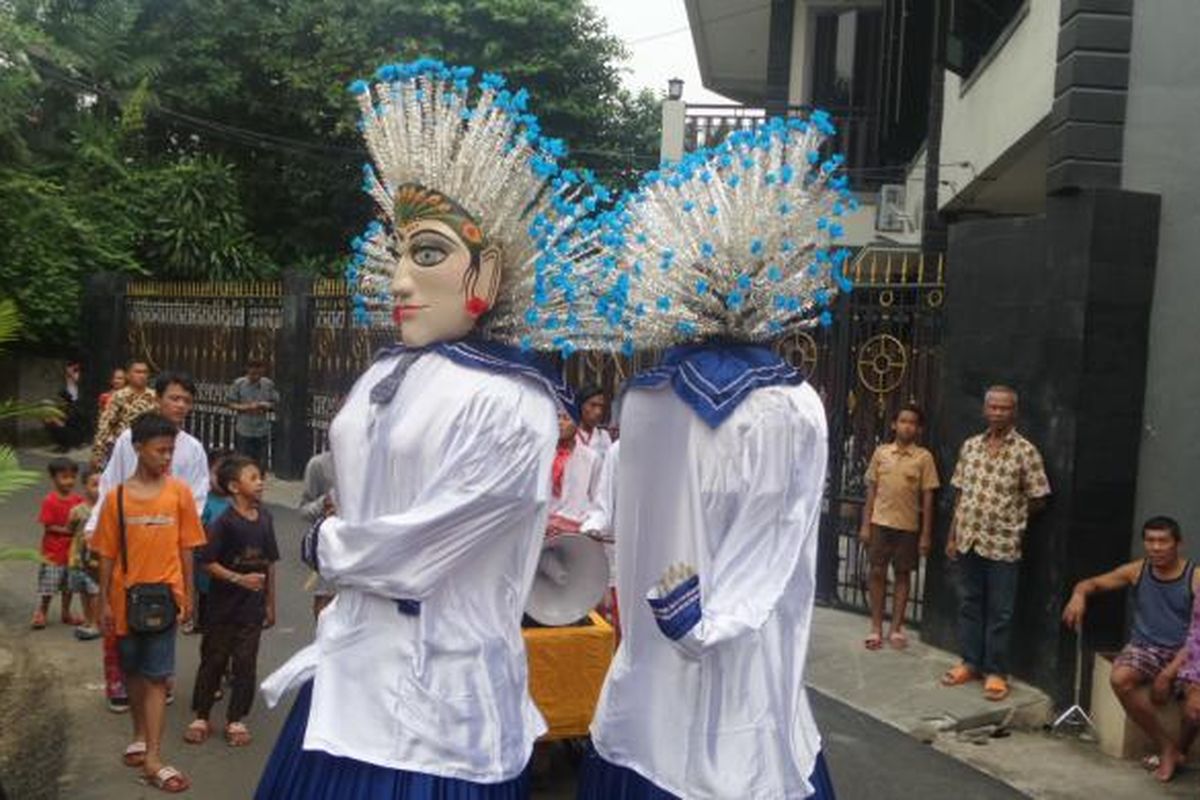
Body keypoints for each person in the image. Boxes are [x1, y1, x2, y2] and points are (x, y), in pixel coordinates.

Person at [256, 59, 592, 799]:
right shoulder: (384, 374)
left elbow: (419, 550)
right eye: (400, 251)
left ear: (488, 274)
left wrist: (324, 543)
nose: (401, 279)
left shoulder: (515, 404)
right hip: (347, 676)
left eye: (429, 252)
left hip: (441, 710)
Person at [578, 113, 842, 798]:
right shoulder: (781, 405)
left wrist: (698, 623)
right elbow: (772, 544)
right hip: (720, 678)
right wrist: (705, 624)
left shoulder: (649, 398)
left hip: (668, 677)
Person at [92, 412, 205, 794]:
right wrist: (103, 602)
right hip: (125, 600)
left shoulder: (179, 493)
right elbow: (105, 554)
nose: (166, 457)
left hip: (165, 597)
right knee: (134, 672)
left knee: (157, 676)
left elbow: (188, 547)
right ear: (137, 448)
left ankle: (154, 755)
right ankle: (139, 733)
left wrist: (188, 594)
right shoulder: (116, 498)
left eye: (170, 450)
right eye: (160, 450)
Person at [87, 371, 209, 713]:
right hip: (128, 538)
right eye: (174, 397)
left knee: (164, 609)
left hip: (168, 543)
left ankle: (159, 677)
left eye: (187, 400)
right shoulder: (130, 440)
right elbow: (111, 486)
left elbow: (197, 497)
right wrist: (97, 524)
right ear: (157, 398)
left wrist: (179, 530)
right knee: (120, 608)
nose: (181, 405)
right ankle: (119, 679)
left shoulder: (194, 449)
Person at [1062, 516, 1198, 782]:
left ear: (1178, 544)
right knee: (1120, 678)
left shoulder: (1195, 578)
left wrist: (1167, 675)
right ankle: (1166, 747)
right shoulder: (1138, 570)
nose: (1156, 547)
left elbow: (1197, 637)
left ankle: (1180, 750)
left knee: (1195, 708)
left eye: (1163, 541)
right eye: (1150, 541)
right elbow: (1093, 583)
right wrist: (1079, 595)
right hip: (1147, 646)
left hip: (1187, 652)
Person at [942, 385, 1051, 702]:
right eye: (993, 407)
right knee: (970, 604)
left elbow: (1039, 497)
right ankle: (970, 663)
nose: (998, 413)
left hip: (1003, 544)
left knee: (1000, 612)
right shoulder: (971, 446)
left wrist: (1010, 517)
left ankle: (995, 671)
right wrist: (952, 535)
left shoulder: (1025, 451)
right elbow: (960, 494)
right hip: (968, 540)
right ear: (984, 410)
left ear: (1014, 412)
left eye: (1005, 408)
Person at [185, 455, 278, 749]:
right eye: (253, 478)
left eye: (260, 477)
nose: (260, 482)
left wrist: (270, 602)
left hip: (252, 609)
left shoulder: (265, 518)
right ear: (235, 487)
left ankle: (236, 718)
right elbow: (206, 561)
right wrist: (239, 579)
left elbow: (270, 564)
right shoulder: (224, 522)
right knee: (214, 659)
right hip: (222, 607)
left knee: (246, 663)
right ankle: (201, 715)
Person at [858, 404, 940, 650]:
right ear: (894, 424)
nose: (907, 426)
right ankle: (875, 627)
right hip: (880, 523)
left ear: (919, 429)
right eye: (903, 421)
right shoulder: (881, 453)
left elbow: (928, 498)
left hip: (908, 527)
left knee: (903, 575)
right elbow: (871, 492)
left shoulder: (923, 458)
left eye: (912, 422)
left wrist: (925, 535)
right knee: (876, 572)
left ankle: (896, 628)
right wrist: (865, 525)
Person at [32, 457, 84, 630]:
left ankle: (66, 612)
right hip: (53, 552)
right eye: (64, 477)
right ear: (53, 478)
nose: (69, 481)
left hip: (72, 552)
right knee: (49, 585)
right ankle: (42, 612)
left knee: (68, 586)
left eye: (72, 476)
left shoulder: (78, 500)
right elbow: (48, 526)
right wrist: (68, 531)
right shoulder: (50, 500)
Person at [187, 449, 234, 635]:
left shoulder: (235, 504)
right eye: (217, 473)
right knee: (205, 591)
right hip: (206, 558)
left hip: (229, 560)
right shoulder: (203, 502)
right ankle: (201, 620)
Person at [92, 359, 156, 468]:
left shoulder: (154, 396)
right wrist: (98, 453)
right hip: (122, 449)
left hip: (148, 449)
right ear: (128, 375)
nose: (142, 375)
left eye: (145, 372)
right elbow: (106, 425)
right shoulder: (119, 396)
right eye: (138, 372)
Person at [547, 412, 602, 536]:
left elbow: (597, 498)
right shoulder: (543, 453)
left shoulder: (591, 458)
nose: (560, 423)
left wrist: (589, 524)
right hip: (543, 527)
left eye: (566, 419)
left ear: (577, 422)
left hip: (575, 529)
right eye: (557, 418)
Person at [298, 446, 337, 618]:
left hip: (366, 550)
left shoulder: (375, 464)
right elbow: (304, 510)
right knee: (327, 607)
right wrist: (324, 502)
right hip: (331, 550)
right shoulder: (319, 465)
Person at [67, 466, 103, 640]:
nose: (99, 489)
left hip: (97, 559)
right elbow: (70, 529)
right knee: (83, 590)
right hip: (79, 556)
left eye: (103, 484)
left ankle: (96, 623)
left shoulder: (106, 510)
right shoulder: (77, 510)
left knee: (95, 590)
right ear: (84, 487)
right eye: (95, 484)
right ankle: (88, 620)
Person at [226, 359, 278, 470]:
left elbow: (275, 402)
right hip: (244, 429)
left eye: (259, 374)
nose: (256, 376)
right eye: (253, 374)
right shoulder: (239, 384)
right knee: (243, 461)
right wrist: (247, 407)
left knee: (260, 462)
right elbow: (230, 404)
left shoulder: (268, 384)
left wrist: (267, 405)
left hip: (261, 428)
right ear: (247, 371)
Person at [44, 360, 89, 452]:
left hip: (78, 424)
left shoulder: (85, 389)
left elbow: (82, 412)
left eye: (76, 371)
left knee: (59, 420)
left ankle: (73, 443)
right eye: (70, 372)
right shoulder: (64, 389)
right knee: (47, 415)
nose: (73, 374)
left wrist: (63, 418)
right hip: (67, 420)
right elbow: (60, 404)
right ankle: (62, 443)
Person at [575, 384, 613, 457]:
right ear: (581, 406)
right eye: (593, 405)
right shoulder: (571, 435)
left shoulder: (604, 436)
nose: (598, 412)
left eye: (601, 406)